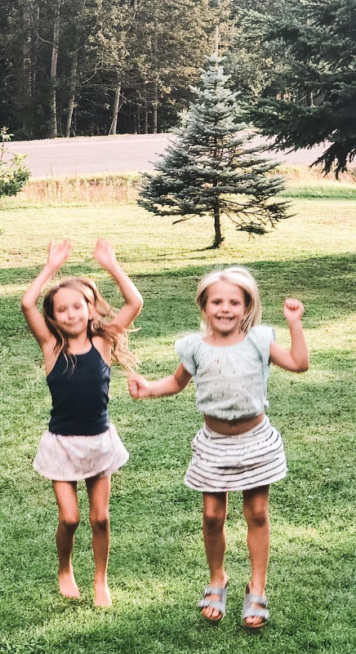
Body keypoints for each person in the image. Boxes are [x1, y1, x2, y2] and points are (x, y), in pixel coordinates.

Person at [127, 266, 309, 628]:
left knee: (257, 513)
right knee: (212, 516)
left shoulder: (258, 340)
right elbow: (176, 383)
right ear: (204, 306)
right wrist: (148, 388)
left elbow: (299, 363)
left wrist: (294, 324)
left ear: (247, 307)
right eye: (217, 302)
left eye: (234, 303)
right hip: (214, 444)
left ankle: (257, 586)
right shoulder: (194, 347)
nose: (225, 309)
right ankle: (217, 578)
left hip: (255, 442)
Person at [21, 238, 142, 605]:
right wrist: (51, 268)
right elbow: (27, 303)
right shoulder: (51, 347)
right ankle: (65, 569)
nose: (71, 314)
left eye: (78, 306)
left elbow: (134, 303)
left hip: (99, 442)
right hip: (61, 445)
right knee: (70, 518)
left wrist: (112, 265)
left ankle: (100, 580)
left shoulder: (103, 343)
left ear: (90, 310)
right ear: (53, 317)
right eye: (62, 309)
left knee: (100, 518)